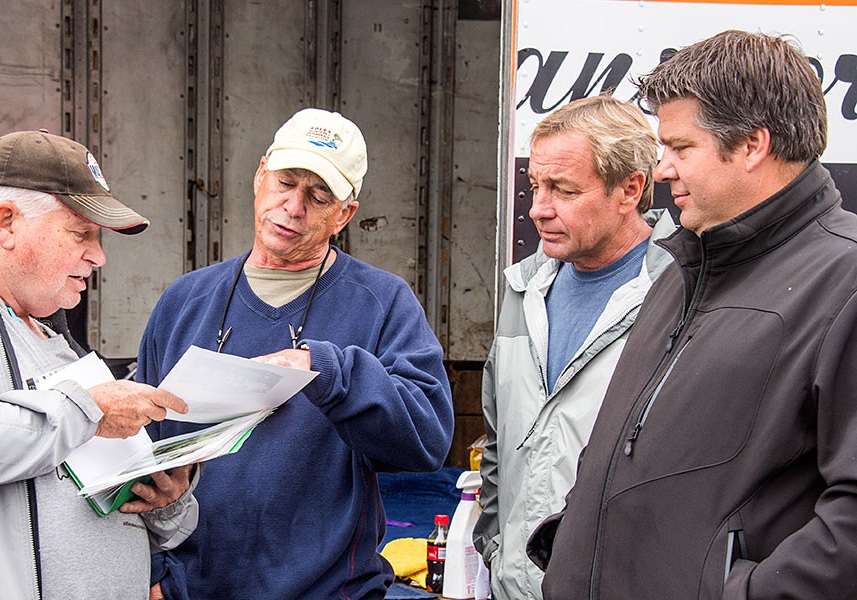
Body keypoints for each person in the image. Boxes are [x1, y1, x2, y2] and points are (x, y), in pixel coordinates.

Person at [530, 30, 857, 599]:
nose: (662, 170)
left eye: (681, 149)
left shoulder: (844, 281)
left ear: (752, 145)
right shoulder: (685, 270)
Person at [137, 107, 454, 599]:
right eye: (285, 182)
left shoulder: (383, 303)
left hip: (326, 591)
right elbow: (138, 452)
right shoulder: (185, 300)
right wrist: (155, 573)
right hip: (192, 590)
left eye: (318, 195)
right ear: (261, 174)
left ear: (345, 213)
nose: (293, 206)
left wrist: (328, 372)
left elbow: (426, 440)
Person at [0, 130, 199, 599]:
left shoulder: (52, 332)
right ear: (6, 223)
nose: (98, 256)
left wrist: (162, 500)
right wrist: (87, 411)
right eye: (81, 233)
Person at [472, 95, 674, 599]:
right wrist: (496, 548)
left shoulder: (680, 295)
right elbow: (499, 443)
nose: (539, 208)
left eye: (563, 189)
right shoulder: (525, 288)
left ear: (630, 188)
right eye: (536, 185)